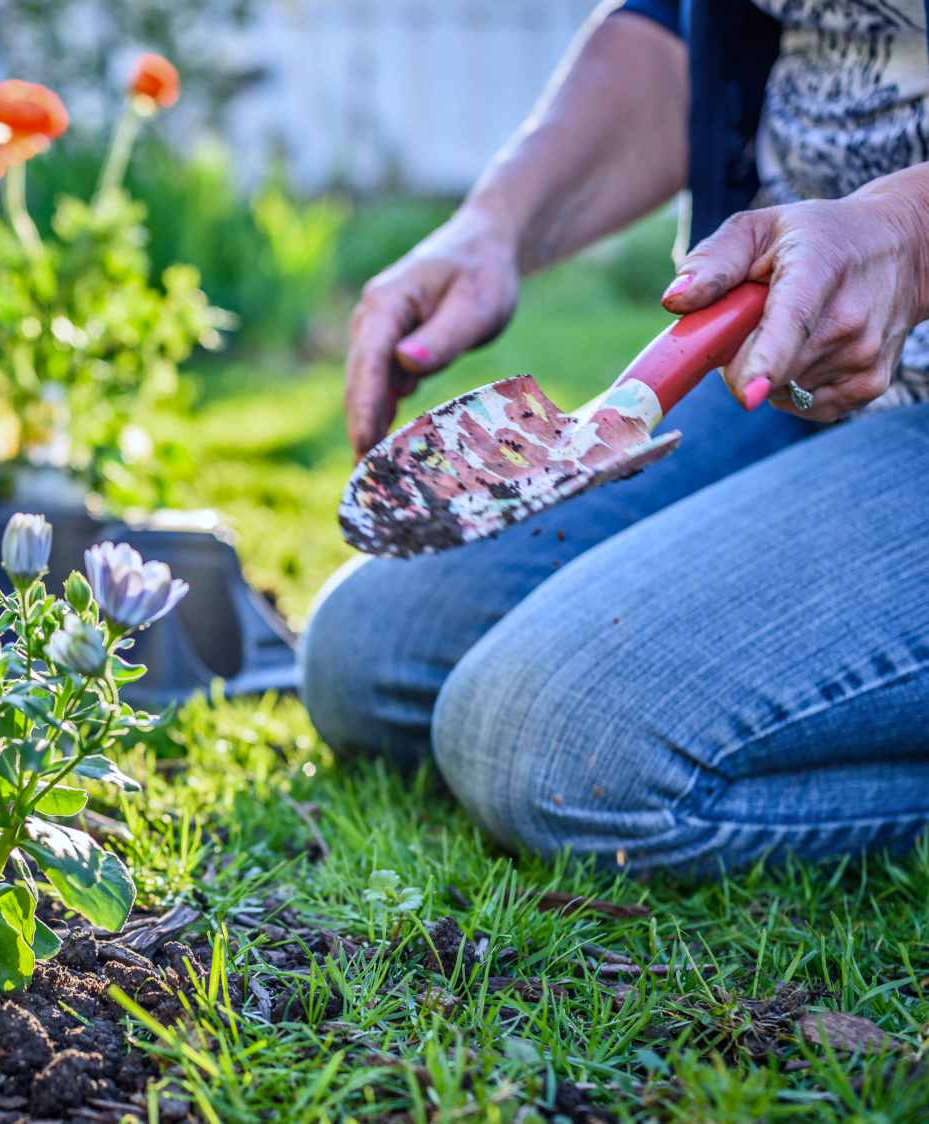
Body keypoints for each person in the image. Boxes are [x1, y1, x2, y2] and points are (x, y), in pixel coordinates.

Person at [301, 0, 929, 876]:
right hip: (781, 362)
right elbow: (674, 32)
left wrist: (907, 232)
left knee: (548, 749)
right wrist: (497, 224)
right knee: (366, 656)